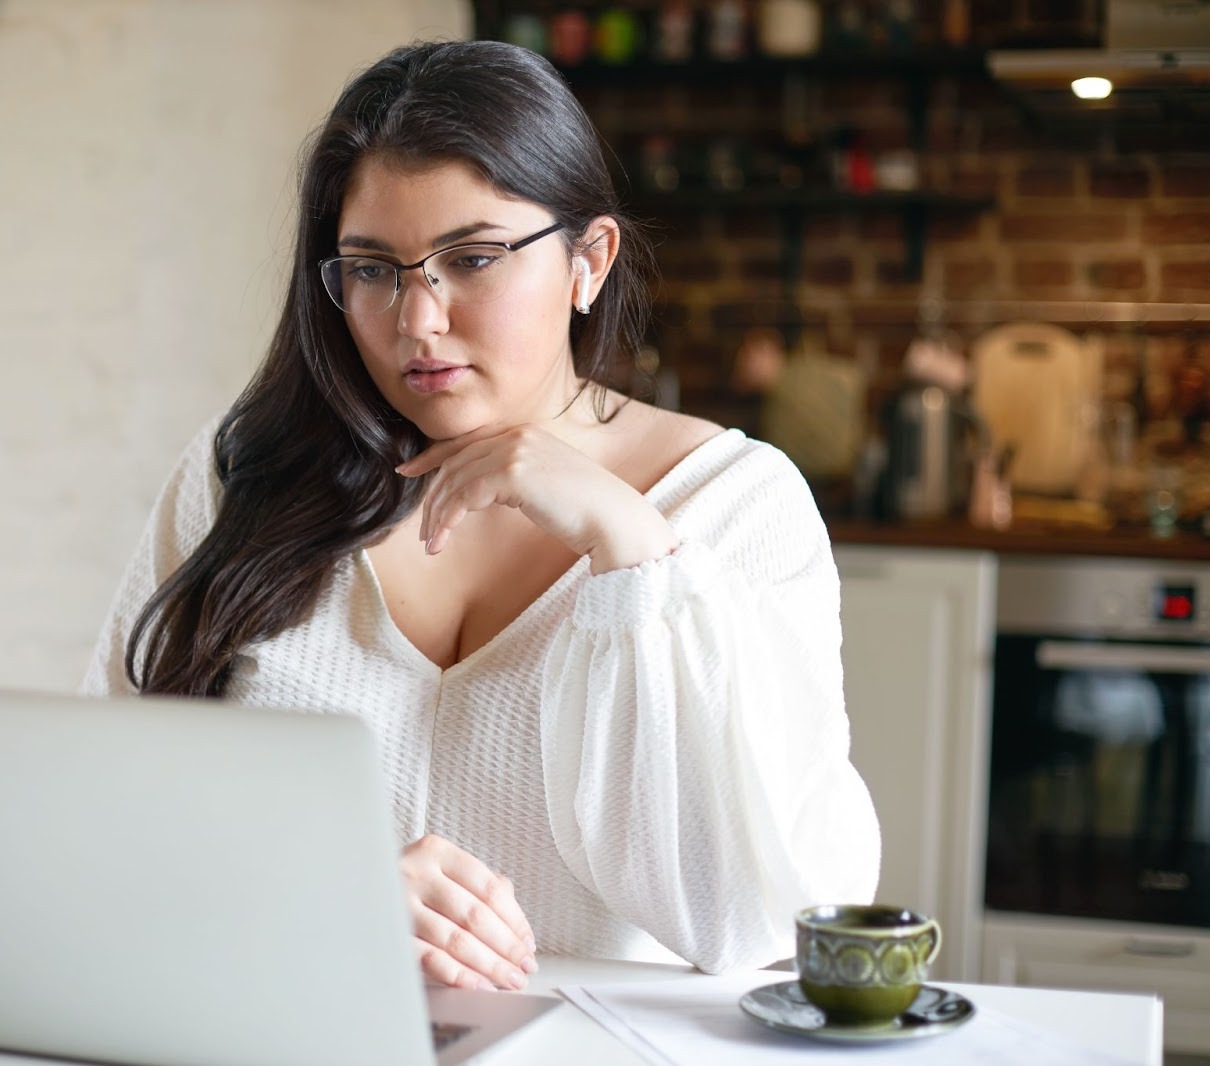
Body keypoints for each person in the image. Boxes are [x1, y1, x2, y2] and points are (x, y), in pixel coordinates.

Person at [83, 39, 880, 994]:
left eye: (471, 259)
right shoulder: (241, 472)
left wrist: (630, 547)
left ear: (590, 260)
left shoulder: (737, 504)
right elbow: (103, 816)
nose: (417, 321)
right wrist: (321, 889)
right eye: (373, 270)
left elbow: (755, 922)